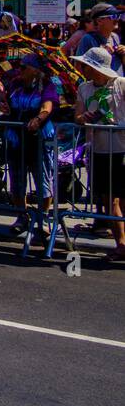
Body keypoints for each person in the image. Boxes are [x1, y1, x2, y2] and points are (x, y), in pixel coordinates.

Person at [73, 45, 125, 260]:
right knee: (109, 199)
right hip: (99, 148)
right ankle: (121, 244)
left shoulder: (120, 85)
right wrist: (83, 118)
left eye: (85, 65)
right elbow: (77, 116)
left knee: (121, 200)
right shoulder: (84, 88)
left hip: (121, 148)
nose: (82, 68)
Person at [2, 53, 61, 235]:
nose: (20, 70)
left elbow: (47, 107)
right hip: (16, 138)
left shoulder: (47, 86)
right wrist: (4, 107)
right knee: (17, 180)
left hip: (39, 138)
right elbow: (9, 106)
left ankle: (42, 218)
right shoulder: (14, 85)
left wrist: (39, 118)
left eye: (24, 67)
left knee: (42, 178)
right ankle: (22, 216)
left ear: (35, 70)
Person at [74, 3, 123, 75]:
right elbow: (78, 66)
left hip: (118, 84)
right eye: (113, 16)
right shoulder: (88, 39)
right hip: (101, 85)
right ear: (99, 21)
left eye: (118, 16)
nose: (117, 19)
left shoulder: (115, 37)